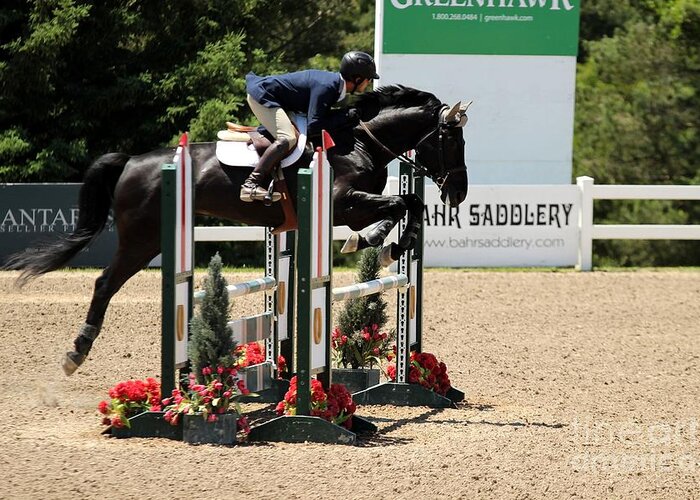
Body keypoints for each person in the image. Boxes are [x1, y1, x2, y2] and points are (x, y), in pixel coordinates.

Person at [240, 51, 380, 202]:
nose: (369, 83)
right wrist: (343, 117)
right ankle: (250, 185)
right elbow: (314, 126)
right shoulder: (328, 87)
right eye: (368, 79)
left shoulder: (334, 86)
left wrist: (342, 115)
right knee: (288, 138)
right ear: (357, 79)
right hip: (263, 95)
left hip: (278, 100)